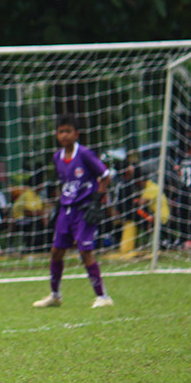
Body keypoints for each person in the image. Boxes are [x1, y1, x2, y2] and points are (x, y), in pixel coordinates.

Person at [33, 114, 113, 308]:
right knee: (56, 251)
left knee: (85, 251)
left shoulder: (84, 154)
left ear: (76, 134)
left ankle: (103, 297)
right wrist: (58, 207)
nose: (64, 135)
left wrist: (96, 201)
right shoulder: (57, 157)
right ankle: (55, 295)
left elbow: (106, 176)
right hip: (66, 211)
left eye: (68, 131)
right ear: (56, 134)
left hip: (84, 210)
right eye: (61, 131)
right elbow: (67, 183)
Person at [11, 170, 49, 253]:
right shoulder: (28, 194)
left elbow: (39, 210)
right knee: (39, 223)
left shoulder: (36, 196)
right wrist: (43, 214)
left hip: (29, 220)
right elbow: (29, 212)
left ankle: (42, 245)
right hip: (20, 220)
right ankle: (32, 247)